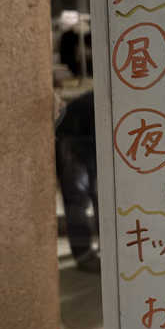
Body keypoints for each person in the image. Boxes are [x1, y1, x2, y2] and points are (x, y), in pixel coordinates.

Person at [55, 91, 99, 271]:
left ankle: (97, 253)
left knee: (97, 196)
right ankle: (84, 256)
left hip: (80, 137)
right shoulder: (108, 98)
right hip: (73, 140)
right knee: (77, 200)